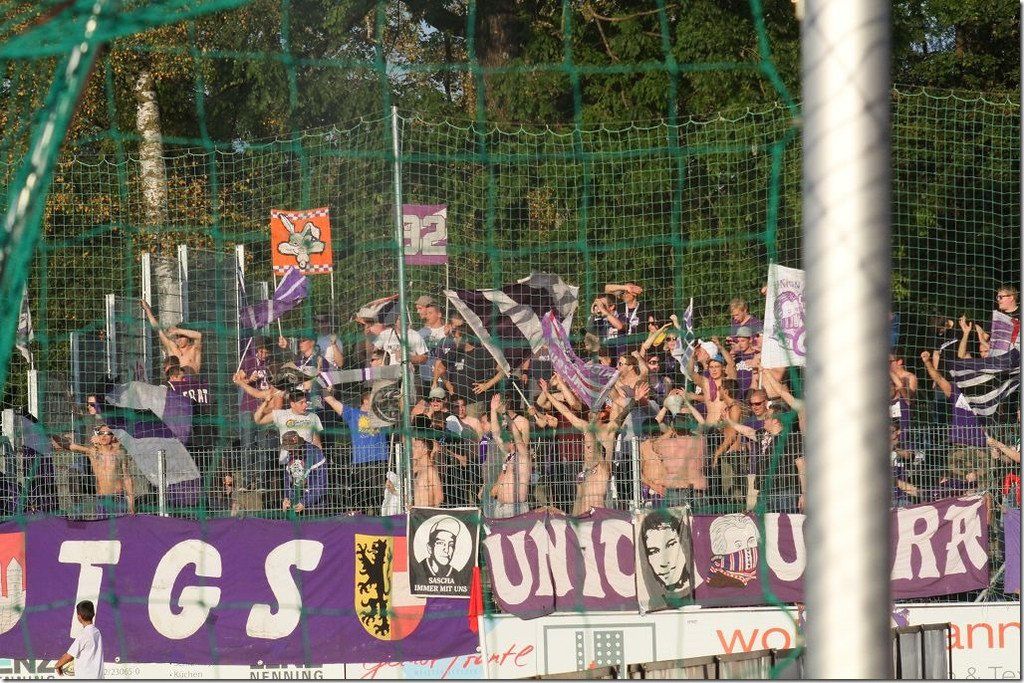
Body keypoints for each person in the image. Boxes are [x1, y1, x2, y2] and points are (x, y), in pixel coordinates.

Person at [323, 388, 389, 513]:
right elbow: (331, 400)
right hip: (361, 463)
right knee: (361, 502)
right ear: (365, 401)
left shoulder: (383, 415)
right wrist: (324, 387)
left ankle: (381, 521)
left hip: (380, 462)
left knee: (380, 501)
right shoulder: (353, 414)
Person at [52, 426, 135, 516]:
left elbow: (127, 478)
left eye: (108, 433)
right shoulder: (93, 452)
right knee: (103, 524)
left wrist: (131, 503)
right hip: (102, 499)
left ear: (113, 436)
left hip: (118, 498)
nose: (104, 436)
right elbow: (69, 446)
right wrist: (50, 432)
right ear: (97, 436)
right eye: (101, 433)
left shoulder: (120, 453)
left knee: (122, 523)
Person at [637, 509, 692, 609]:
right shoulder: (654, 603)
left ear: (684, 545)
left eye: (670, 545)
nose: (664, 563)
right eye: (653, 552)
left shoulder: (703, 595)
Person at [140, 299, 203, 371]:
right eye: (177, 337)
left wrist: (178, 331)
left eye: (181, 337)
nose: (179, 340)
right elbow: (158, 329)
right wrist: (147, 309)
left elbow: (199, 336)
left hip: (191, 378)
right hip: (175, 378)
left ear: (188, 338)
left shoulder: (194, 350)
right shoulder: (172, 348)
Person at [254, 387, 324, 448]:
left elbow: (317, 442)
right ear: (292, 404)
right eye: (301, 403)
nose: (305, 405)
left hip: (306, 455)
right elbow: (258, 420)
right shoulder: (281, 414)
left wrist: (319, 454)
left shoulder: (313, 416)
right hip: (287, 457)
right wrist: (265, 402)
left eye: (305, 402)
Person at [278, 430, 327, 515]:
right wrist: (287, 497)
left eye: (291, 448)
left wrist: (305, 502)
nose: (289, 451)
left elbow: (321, 483)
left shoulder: (315, 453)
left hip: (315, 505)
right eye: (287, 448)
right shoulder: (290, 454)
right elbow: (288, 478)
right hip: (296, 502)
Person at [55, 600, 103, 678]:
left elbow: (69, 656)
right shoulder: (97, 632)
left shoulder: (84, 635)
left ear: (79, 616)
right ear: (93, 614)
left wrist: (57, 665)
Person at [418, 516, 471, 584]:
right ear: (430, 548)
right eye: (440, 543)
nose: (446, 550)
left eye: (451, 545)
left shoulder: (457, 575)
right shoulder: (419, 570)